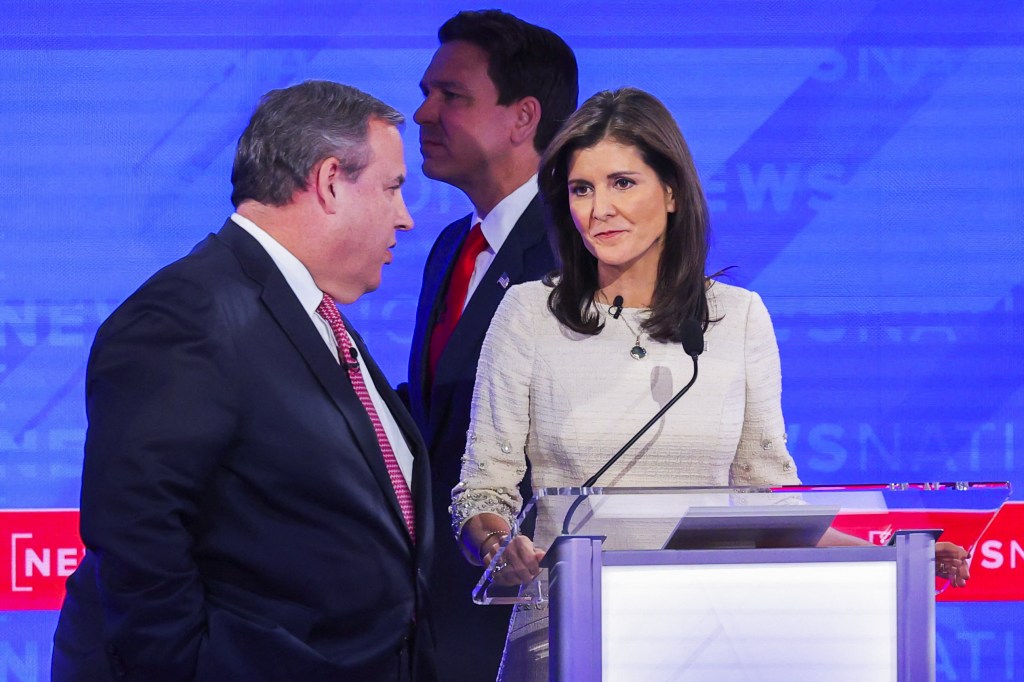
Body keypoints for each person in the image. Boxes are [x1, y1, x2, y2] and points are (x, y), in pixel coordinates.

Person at [450, 87, 971, 680]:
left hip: (701, 635)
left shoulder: (737, 319)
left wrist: (889, 563)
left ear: (671, 192)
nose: (599, 210)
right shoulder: (529, 314)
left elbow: (770, 505)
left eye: (623, 183)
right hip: (563, 634)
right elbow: (482, 489)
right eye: (581, 189)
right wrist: (498, 548)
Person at [51, 81, 438, 681]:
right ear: (330, 180)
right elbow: (138, 535)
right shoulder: (187, 313)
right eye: (392, 189)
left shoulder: (309, 312)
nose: (405, 218)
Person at [405, 9, 578, 680]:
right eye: (427, 92)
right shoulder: (452, 246)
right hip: (441, 609)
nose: (422, 113)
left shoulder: (581, 245)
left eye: (451, 95)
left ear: (522, 117)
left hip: (533, 615)